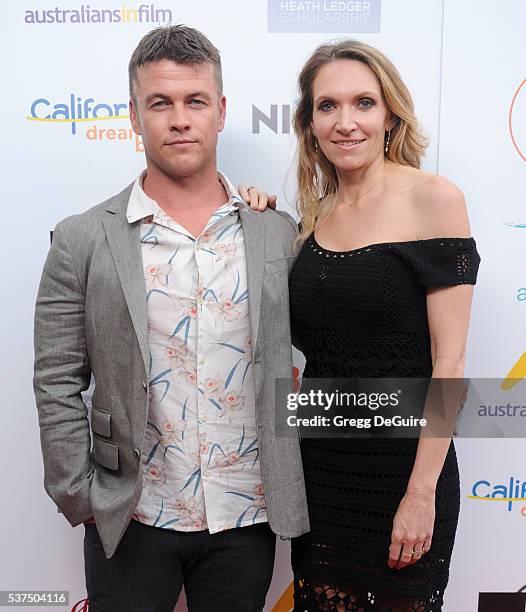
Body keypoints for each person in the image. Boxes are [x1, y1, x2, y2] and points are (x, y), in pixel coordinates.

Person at [33, 25, 308, 612]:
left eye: (195, 101)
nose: (179, 119)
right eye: (160, 103)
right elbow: (57, 377)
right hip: (129, 512)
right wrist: (76, 492)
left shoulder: (274, 233)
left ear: (221, 111)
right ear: (134, 115)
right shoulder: (82, 238)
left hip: (245, 512)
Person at [287, 40, 480, 611]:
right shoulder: (312, 216)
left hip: (404, 472)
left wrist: (420, 494)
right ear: (309, 122)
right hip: (322, 474)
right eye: (328, 106)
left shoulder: (434, 199)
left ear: (390, 114)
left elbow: (450, 363)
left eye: (363, 103)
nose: (345, 122)